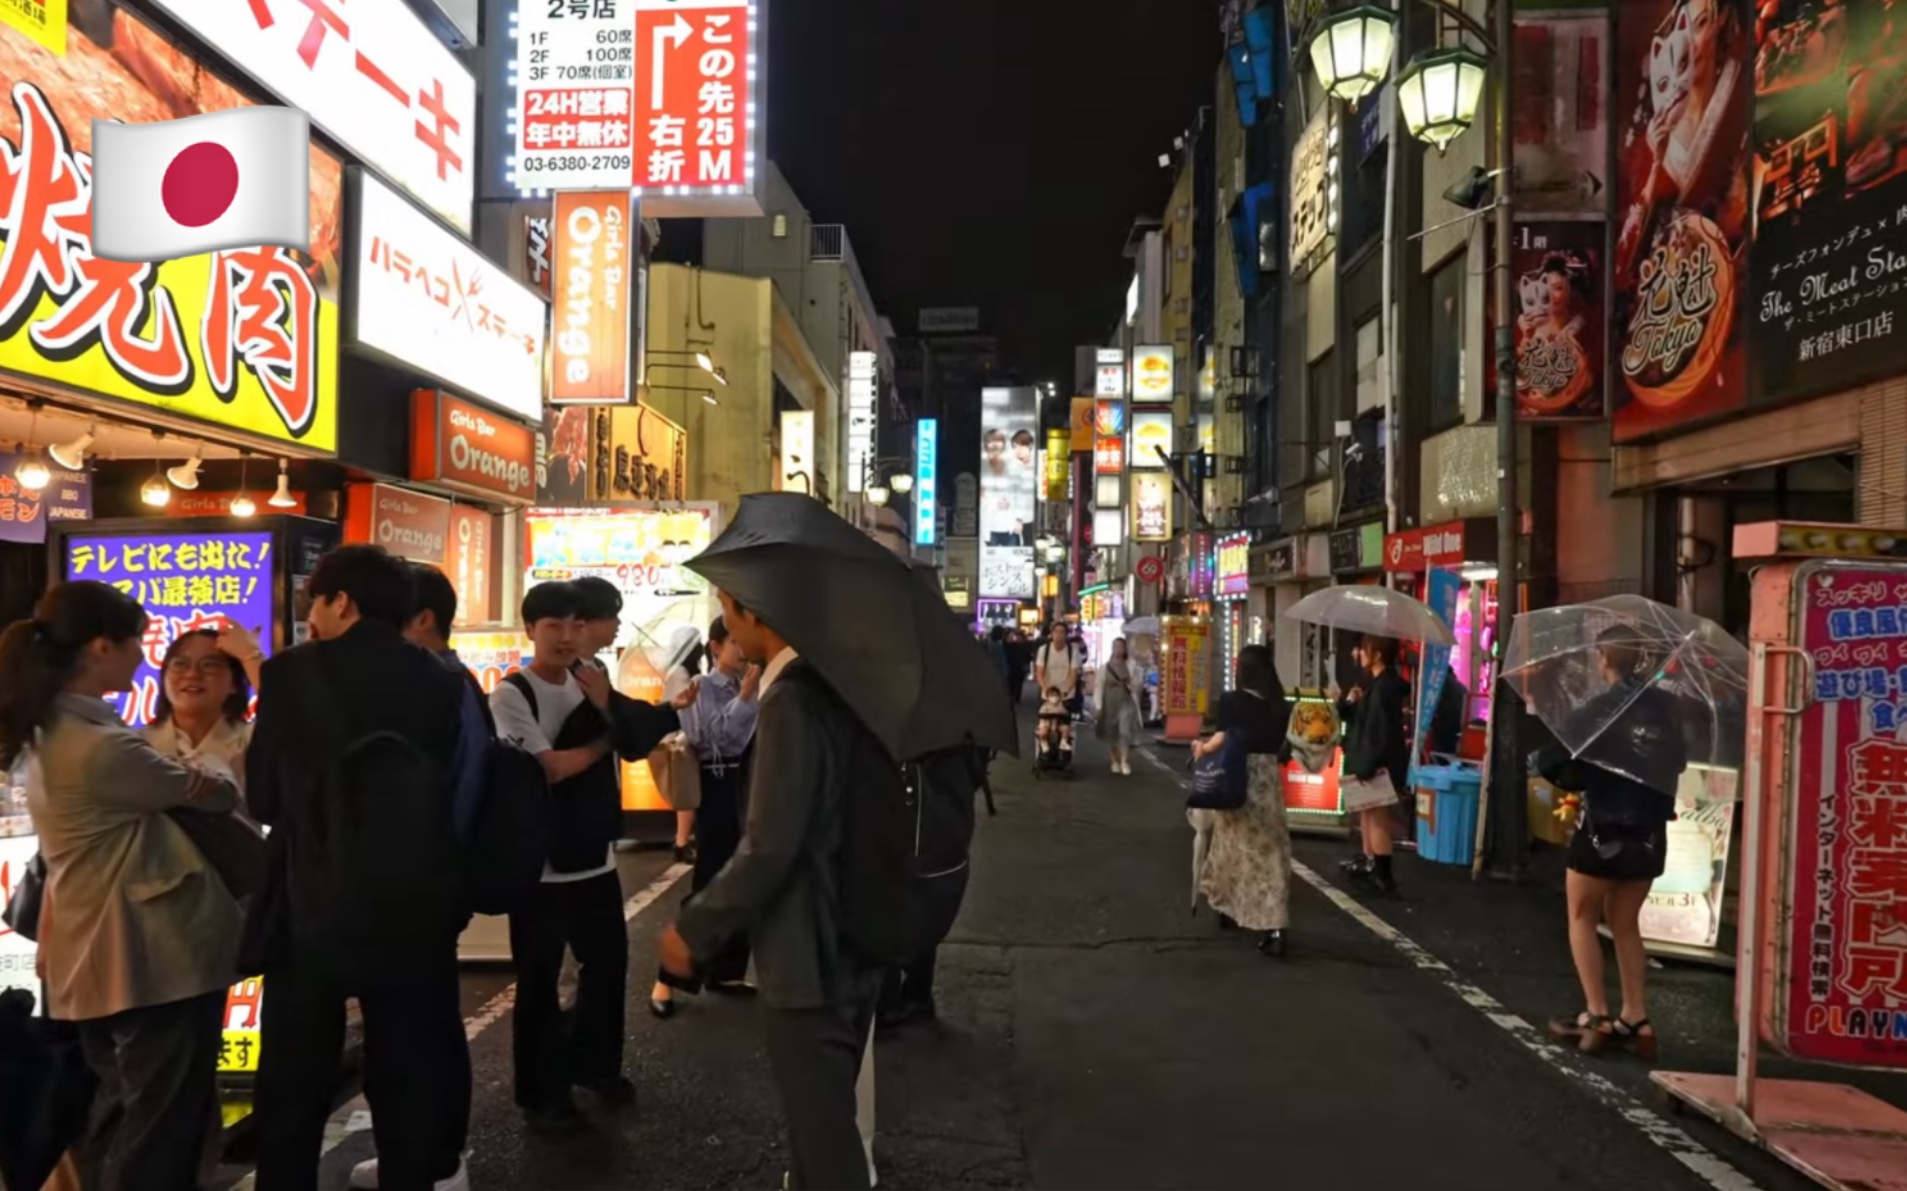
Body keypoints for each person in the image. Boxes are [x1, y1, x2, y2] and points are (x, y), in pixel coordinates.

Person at [246, 544, 475, 1191]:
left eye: (314, 601)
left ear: (340, 600)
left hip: (310, 899)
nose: (311, 616)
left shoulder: (290, 673)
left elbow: (263, 795)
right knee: (406, 1067)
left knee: (295, 1075)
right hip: (413, 903)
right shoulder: (439, 679)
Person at [0, 582, 242, 1191]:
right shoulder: (100, 746)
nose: (145, 656)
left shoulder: (61, 729)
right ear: (103, 647)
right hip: (148, 957)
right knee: (162, 1117)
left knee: (121, 1104)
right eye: (139, 642)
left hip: (101, 955)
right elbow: (219, 793)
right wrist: (203, 772)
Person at [657, 589, 884, 1190]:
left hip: (808, 946)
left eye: (730, 609)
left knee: (822, 1131)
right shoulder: (844, 683)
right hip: (858, 928)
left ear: (752, 613)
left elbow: (771, 843)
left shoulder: (792, 698)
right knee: (826, 1121)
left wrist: (693, 929)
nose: (728, 625)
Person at [490, 581, 682, 1134]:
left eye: (575, 625)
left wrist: (607, 711)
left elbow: (633, 737)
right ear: (530, 630)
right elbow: (550, 767)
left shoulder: (588, 680)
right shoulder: (511, 695)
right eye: (553, 626)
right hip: (541, 866)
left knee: (607, 969)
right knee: (539, 979)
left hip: (595, 859)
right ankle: (543, 1091)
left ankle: (597, 1068)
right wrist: (602, 736)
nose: (566, 636)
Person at [1543, 627, 1686, 1060]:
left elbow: (1557, 758)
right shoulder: (1666, 707)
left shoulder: (1598, 710)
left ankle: (1597, 1014)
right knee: (1626, 923)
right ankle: (1637, 1018)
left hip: (1603, 827)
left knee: (1582, 917)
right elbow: (1677, 760)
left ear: (1604, 657)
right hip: (1649, 832)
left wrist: (1576, 780)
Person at [650, 614, 762, 1019]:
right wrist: (746, 699)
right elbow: (707, 738)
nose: (741, 649)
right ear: (715, 648)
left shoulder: (754, 683)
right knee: (709, 881)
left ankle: (728, 970)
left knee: (748, 878)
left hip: (748, 785)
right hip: (716, 787)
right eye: (732, 642)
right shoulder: (701, 687)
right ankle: (667, 976)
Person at [1189, 645, 1295, 957]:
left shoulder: (1232, 701)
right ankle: (1275, 926)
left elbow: (1222, 738)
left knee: (1230, 847)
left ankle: (1226, 906)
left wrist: (1202, 749)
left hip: (1236, 778)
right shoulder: (1281, 705)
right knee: (1271, 853)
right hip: (1267, 782)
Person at [145, 623, 263, 807]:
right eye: (180, 664)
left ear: (234, 683)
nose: (192, 674)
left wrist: (250, 656)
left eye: (209, 665)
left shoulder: (252, 740)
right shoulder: (137, 744)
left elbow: (292, 721)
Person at [1339, 635, 1411, 897]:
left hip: (1378, 763)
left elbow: (1378, 731)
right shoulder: (1377, 686)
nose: (1359, 654)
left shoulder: (1383, 688)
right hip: (1375, 760)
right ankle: (1374, 868)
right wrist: (1350, 702)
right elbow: (1359, 720)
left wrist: (1367, 764)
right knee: (1370, 813)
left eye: (1365, 650)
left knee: (1379, 817)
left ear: (1377, 655)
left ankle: (1383, 876)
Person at [658, 623, 705, 863]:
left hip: (682, 737)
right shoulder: (680, 673)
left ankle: (683, 839)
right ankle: (681, 842)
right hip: (680, 740)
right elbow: (681, 708)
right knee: (686, 791)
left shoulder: (681, 671)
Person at [1093, 637, 1143, 776]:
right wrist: (1098, 705)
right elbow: (1099, 687)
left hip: (1126, 702)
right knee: (1110, 732)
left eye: (1121, 646)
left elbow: (1138, 684)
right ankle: (1113, 760)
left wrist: (1131, 684)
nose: (1118, 649)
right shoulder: (1104, 668)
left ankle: (1124, 761)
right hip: (1109, 703)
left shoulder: (1131, 666)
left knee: (1124, 731)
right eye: (1115, 646)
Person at [1033, 623, 1084, 719]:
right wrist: (1046, 689)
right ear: (1051, 634)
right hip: (1048, 695)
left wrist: (1066, 691)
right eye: (1056, 632)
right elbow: (1039, 673)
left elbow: (1073, 674)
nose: (1059, 635)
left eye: (1062, 632)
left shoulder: (1073, 651)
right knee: (1045, 726)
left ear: (1066, 635)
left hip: (1067, 695)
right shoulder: (1044, 650)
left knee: (1065, 727)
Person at [1036, 687, 1072, 757]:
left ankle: (1063, 742)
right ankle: (1043, 743)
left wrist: (1063, 714)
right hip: (1046, 724)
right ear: (1048, 697)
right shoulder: (1045, 706)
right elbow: (1041, 714)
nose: (1054, 698)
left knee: (1066, 728)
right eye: (1052, 695)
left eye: (1056, 695)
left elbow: (1065, 713)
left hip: (1057, 724)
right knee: (1043, 731)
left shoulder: (1060, 706)